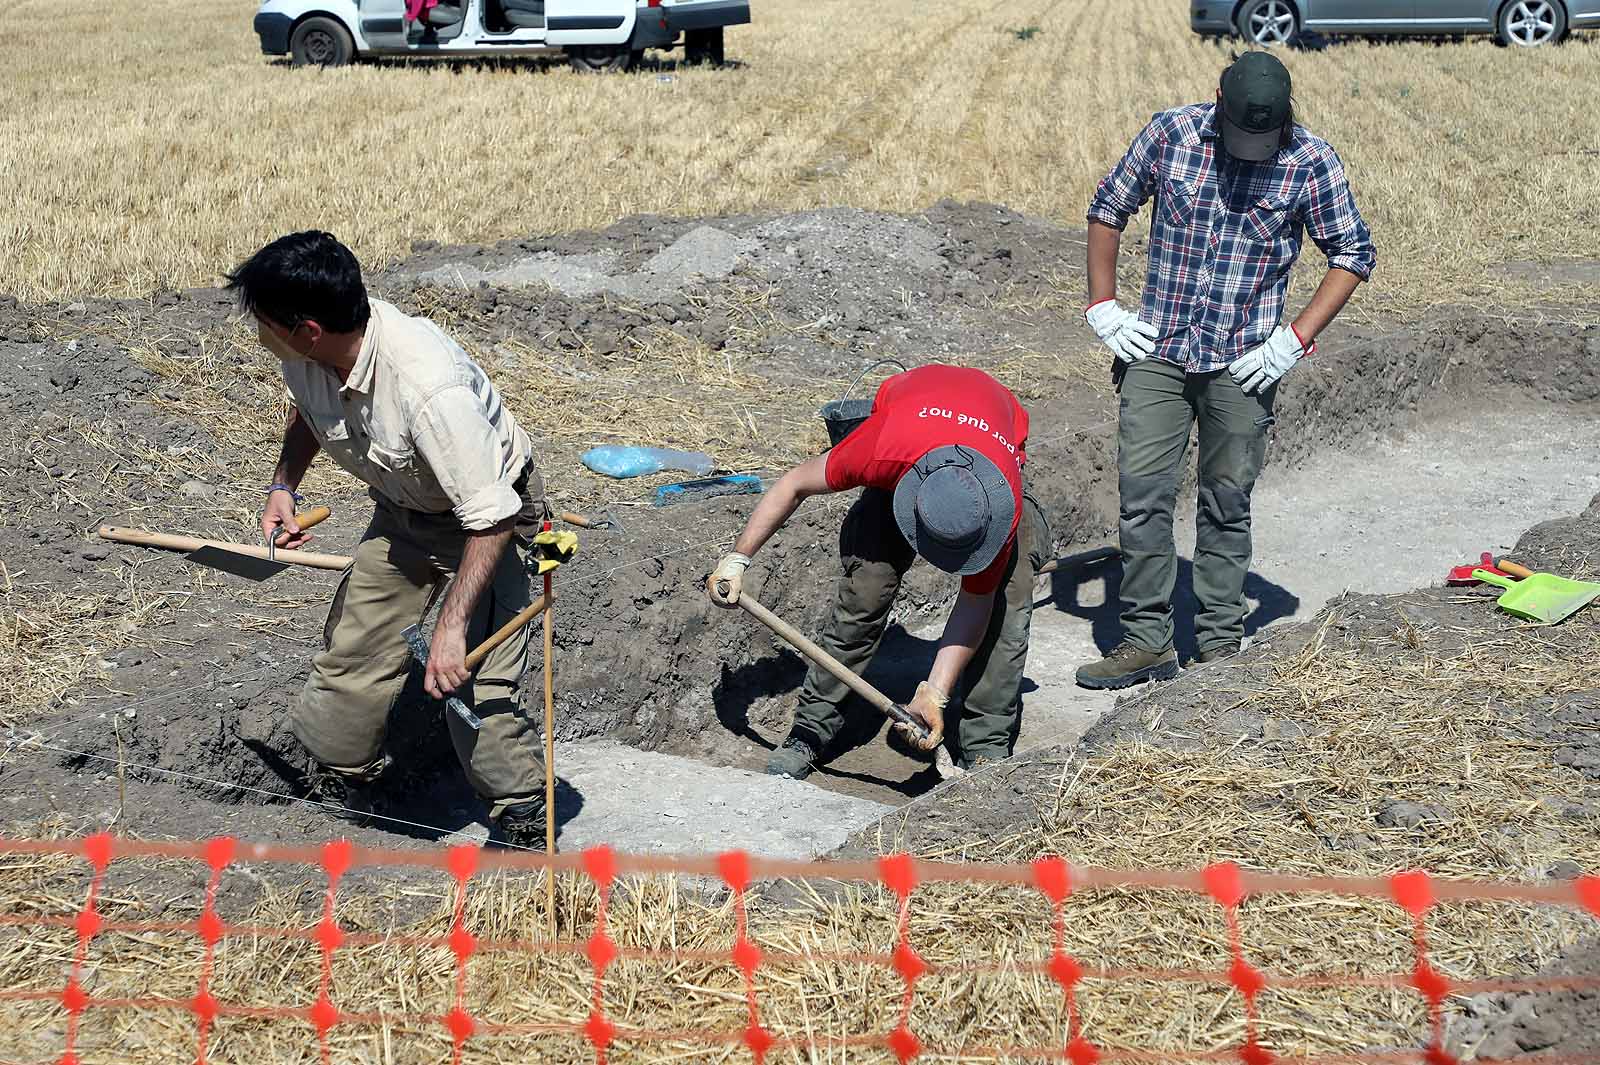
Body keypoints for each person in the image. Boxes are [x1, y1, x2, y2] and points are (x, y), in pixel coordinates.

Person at [227, 231, 552, 847]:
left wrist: (452, 628)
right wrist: (283, 486)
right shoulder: (310, 355)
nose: (258, 333)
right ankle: (371, 790)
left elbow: (492, 517)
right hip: (405, 516)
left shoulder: (429, 387)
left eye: (266, 322)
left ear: (308, 328)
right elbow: (309, 411)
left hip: (491, 524)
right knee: (346, 672)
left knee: (475, 682)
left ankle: (522, 818)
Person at [1075, 51, 1375, 690]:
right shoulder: (1173, 135)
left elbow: (1352, 252)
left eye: (1261, 142)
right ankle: (1146, 641)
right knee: (1144, 498)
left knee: (1226, 501)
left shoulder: (1310, 162)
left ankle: (1217, 646)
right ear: (1218, 99)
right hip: (1157, 351)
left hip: (1244, 363)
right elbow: (1108, 207)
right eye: (1240, 137)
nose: (1249, 152)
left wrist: (1294, 340)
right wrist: (1103, 305)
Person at [707, 365, 1051, 777]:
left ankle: (985, 748)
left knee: (1005, 606)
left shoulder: (1000, 505)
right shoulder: (880, 450)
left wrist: (933, 694)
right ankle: (811, 729)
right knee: (864, 591)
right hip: (910, 434)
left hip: (992, 437)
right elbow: (793, 484)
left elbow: (975, 601)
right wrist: (738, 557)